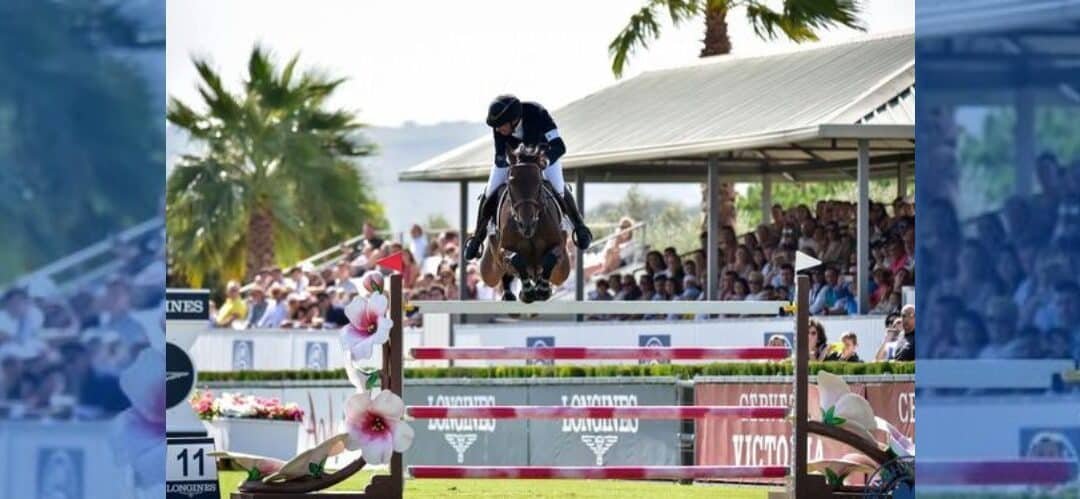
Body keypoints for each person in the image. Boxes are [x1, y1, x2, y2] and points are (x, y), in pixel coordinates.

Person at [464, 95, 592, 260]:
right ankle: (477, 237)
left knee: (559, 188)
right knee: (490, 191)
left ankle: (580, 228)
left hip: (544, 158)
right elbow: (499, 154)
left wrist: (545, 160)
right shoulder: (500, 125)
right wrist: (511, 162)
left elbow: (559, 146)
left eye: (500, 126)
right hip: (514, 162)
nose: (497, 130)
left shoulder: (538, 114)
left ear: (513, 119)